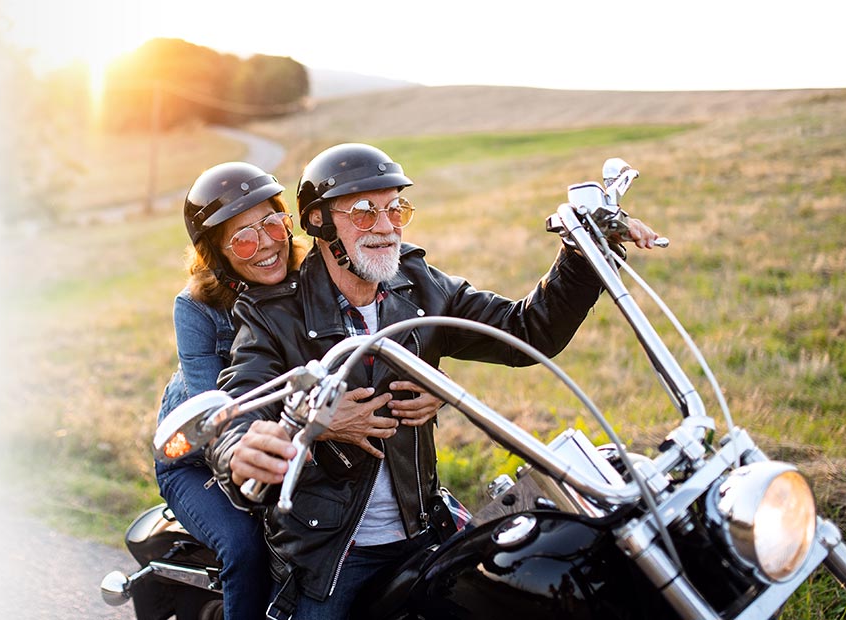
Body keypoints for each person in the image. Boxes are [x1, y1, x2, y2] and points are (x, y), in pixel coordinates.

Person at [207, 143, 660, 619]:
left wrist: (583, 251)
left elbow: (528, 331)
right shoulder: (274, 314)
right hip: (334, 553)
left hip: (424, 528)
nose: (385, 226)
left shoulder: (419, 285)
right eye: (363, 212)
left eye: (395, 208)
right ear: (319, 222)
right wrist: (243, 447)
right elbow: (241, 403)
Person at [155, 160, 447, 619]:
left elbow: (368, 344)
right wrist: (322, 423)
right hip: (200, 456)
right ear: (216, 252)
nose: (266, 244)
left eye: (273, 223)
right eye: (244, 238)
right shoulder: (195, 307)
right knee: (244, 548)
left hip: (286, 443)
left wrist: (438, 384)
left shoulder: (313, 274)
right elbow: (218, 412)